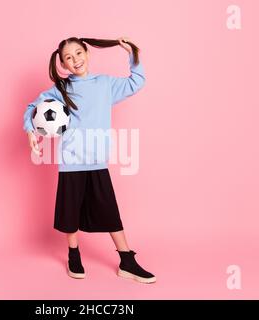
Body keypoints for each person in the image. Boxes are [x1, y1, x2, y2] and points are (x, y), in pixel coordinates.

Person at [23, 37, 156, 284]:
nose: (75, 60)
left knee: (110, 213)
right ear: (62, 63)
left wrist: (132, 54)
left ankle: (126, 259)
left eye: (78, 53)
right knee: (70, 213)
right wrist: (30, 129)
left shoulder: (105, 84)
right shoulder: (61, 89)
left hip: (97, 162)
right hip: (71, 162)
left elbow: (137, 81)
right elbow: (33, 107)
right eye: (68, 58)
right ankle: (74, 255)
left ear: (87, 53)